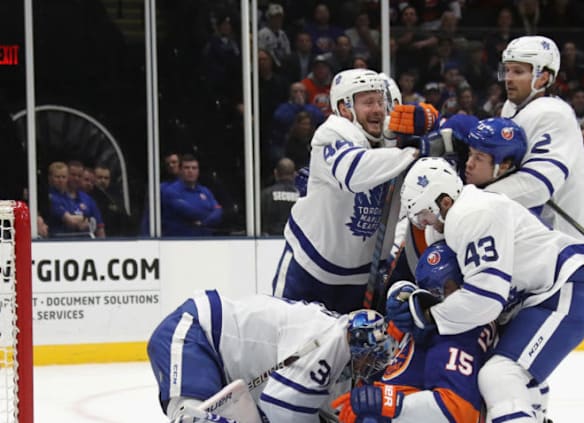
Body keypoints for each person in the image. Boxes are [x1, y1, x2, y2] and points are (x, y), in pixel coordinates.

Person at [392, 157, 584, 423]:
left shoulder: (473, 214)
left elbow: (486, 299)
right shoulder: (455, 220)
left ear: (444, 202)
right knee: (516, 380)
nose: (426, 224)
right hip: (535, 302)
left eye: (425, 215)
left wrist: (429, 316)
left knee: (499, 375)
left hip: (560, 293)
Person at [272, 68, 434, 314]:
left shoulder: (393, 139)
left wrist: (433, 128)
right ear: (345, 108)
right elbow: (355, 173)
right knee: (288, 345)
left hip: (361, 277)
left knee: (355, 352)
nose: (379, 110)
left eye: (382, 102)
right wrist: (414, 151)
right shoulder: (332, 132)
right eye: (368, 102)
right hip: (308, 269)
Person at [147, 290, 394, 422]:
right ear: (359, 344)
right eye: (369, 359)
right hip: (194, 333)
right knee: (194, 418)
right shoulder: (331, 339)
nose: (368, 367)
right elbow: (283, 409)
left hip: (218, 355)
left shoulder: (333, 344)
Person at [332, 241, 496, 423]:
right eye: (432, 291)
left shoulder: (459, 336)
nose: (439, 297)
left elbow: (460, 412)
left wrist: (389, 402)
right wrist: (400, 295)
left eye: (446, 288)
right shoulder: (440, 319)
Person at [495, 35, 584, 240]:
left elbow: (538, 186)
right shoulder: (510, 108)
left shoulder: (554, 114)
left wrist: (477, 197)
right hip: (527, 232)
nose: (509, 78)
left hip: (561, 244)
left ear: (543, 78)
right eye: (507, 70)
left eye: (518, 71)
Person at [161, 154, 223, 236]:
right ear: (180, 170)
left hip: (205, 242)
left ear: (198, 171)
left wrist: (203, 223)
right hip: (179, 243)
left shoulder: (205, 191)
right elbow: (192, 212)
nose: (190, 171)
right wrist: (210, 215)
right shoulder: (171, 191)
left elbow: (218, 211)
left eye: (194, 168)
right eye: (186, 168)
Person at [46, 161, 104, 238]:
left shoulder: (88, 199)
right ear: (67, 175)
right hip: (59, 243)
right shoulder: (54, 197)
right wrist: (85, 219)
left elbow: (100, 228)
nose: (76, 178)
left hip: (84, 244)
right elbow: (71, 221)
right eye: (73, 175)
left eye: (79, 176)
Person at [260, 158, 300, 236]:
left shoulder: (266, 194)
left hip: (268, 240)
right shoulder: (302, 196)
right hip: (295, 240)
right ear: (295, 174)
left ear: (275, 173)